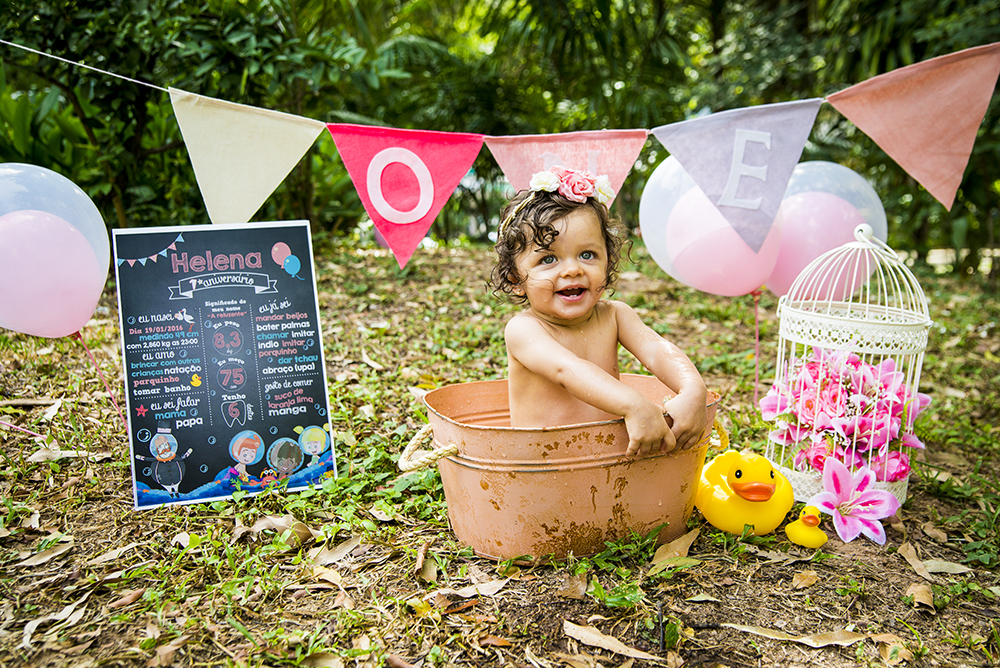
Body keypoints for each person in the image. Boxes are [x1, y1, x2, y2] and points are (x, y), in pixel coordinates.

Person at [490, 166, 707, 456]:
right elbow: (566, 369)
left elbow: (656, 350)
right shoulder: (524, 329)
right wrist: (634, 404)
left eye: (587, 254)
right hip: (542, 464)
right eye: (549, 259)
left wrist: (692, 388)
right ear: (516, 280)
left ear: (608, 261)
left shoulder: (615, 315)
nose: (572, 269)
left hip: (608, 457)